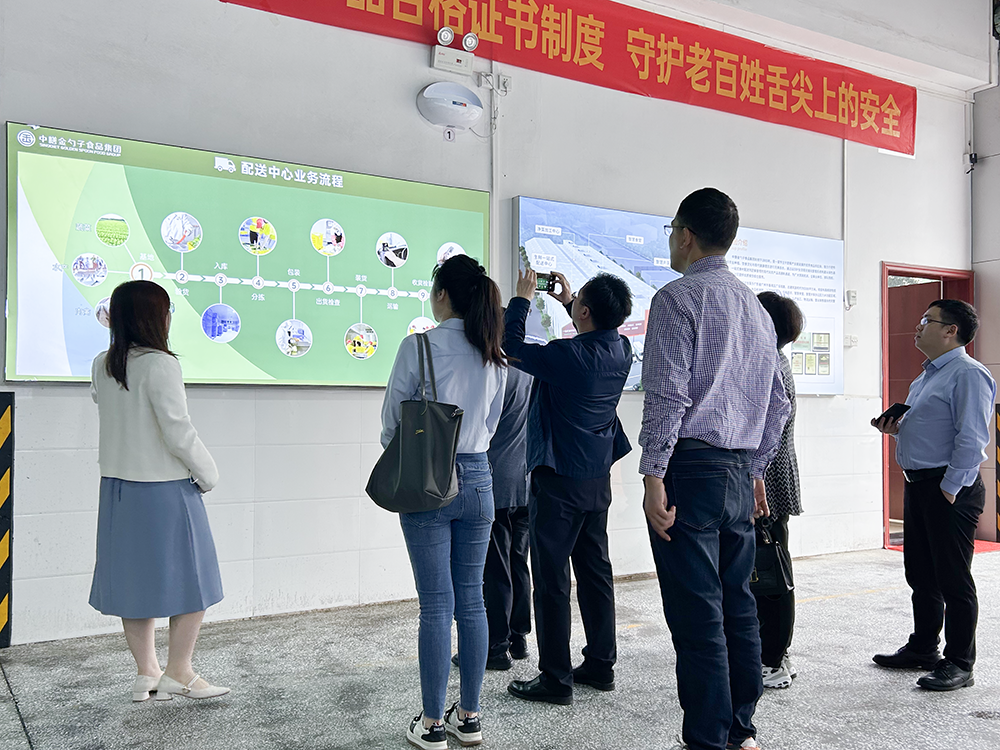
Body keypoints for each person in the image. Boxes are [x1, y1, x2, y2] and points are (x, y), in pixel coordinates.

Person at [639, 188, 790, 750]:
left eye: (671, 231)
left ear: (685, 235)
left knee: (697, 612)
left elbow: (668, 395)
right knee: (738, 605)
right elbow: (779, 403)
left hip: (690, 469)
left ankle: (706, 737)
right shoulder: (755, 308)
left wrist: (653, 475)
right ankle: (740, 731)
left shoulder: (677, 299)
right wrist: (756, 470)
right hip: (737, 474)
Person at [380, 255, 507, 750]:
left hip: (428, 479)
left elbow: (393, 421)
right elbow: (491, 423)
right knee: (472, 600)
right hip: (479, 480)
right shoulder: (493, 354)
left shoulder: (418, 346)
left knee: (436, 605)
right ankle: (469, 718)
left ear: (443, 295)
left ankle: (432, 724)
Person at [89, 280, 229, 702]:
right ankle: (179, 672)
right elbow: (177, 431)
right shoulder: (160, 364)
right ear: (158, 317)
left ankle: (146, 673)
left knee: (134, 584)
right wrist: (208, 474)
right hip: (164, 489)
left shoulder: (103, 364)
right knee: (194, 581)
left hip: (117, 490)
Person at [504, 269, 634, 706]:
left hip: (558, 481)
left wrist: (522, 300)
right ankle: (600, 664)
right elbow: (591, 332)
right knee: (595, 574)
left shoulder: (568, 355)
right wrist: (569, 303)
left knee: (552, 580)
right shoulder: (622, 349)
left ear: (585, 311)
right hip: (596, 480)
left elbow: (511, 348)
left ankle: (555, 679)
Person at [871, 299, 995, 691]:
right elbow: (931, 430)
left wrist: (950, 488)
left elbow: (972, 438)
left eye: (927, 320)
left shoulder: (969, 374)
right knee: (921, 574)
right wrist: (896, 431)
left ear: (950, 330)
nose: (918, 326)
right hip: (920, 484)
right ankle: (924, 647)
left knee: (953, 578)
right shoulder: (927, 375)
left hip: (949, 488)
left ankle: (959, 662)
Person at [451, 359, 533, 671]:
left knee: (495, 568)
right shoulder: (531, 372)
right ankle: (518, 638)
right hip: (526, 481)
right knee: (517, 561)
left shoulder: (495, 372)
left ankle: (495, 647)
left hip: (496, 481)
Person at [754, 292, 805, 690]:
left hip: (766, 480)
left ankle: (772, 660)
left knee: (770, 573)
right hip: (773, 476)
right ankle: (775, 654)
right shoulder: (775, 359)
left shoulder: (766, 362)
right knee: (771, 566)